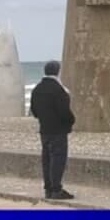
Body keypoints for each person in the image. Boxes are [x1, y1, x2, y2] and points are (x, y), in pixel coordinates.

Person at [29, 60, 75, 200]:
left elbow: (34, 110)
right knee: (58, 158)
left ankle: (48, 188)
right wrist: (71, 121)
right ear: (57, 71)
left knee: (46, 159)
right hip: (58, 130)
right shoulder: (58, 89)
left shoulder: (37, 89)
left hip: (44, 129)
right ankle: (56, 189)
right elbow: (64, 111)